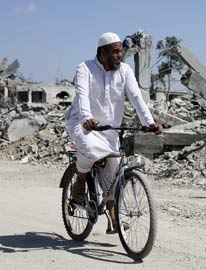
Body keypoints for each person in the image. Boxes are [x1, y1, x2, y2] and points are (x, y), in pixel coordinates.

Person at [65, 32, 163, 233]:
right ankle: (81, 179)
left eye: (120, 52)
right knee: (90, 149)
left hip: (111, 129)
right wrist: (86, 119)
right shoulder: (85, 68)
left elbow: (137, 98)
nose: (120, 55)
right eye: (116, 52)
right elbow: (82, 95)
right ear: (103, 52)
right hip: (83, 124)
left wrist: (150, 123)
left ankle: (114, 218)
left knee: (113, 173)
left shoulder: (125, 71)